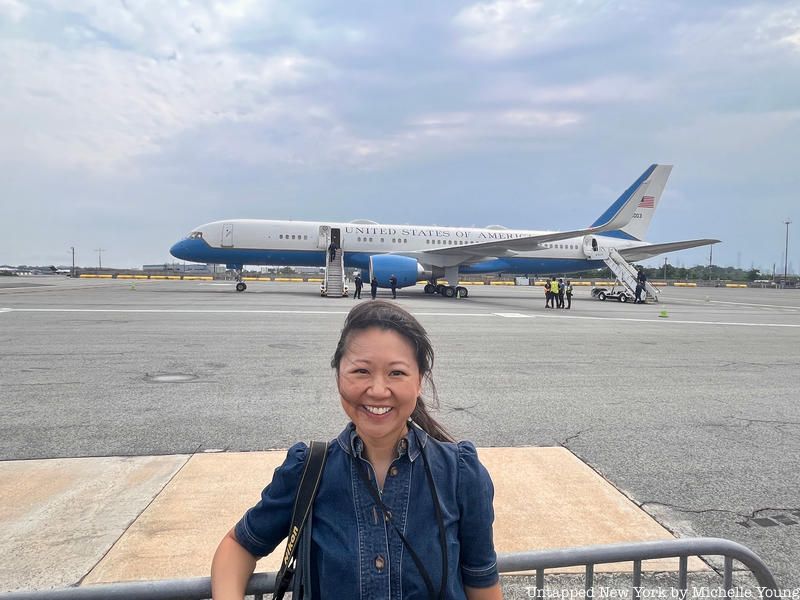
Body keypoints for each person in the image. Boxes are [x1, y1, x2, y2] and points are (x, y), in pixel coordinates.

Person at [211, 301, 502, 600]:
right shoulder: (307, 471)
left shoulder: (461, 474)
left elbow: (482, 584)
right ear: (338, 376)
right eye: (361, 371)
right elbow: (239, 546)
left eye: (397, 373)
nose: (378, 390)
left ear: (420, 382)